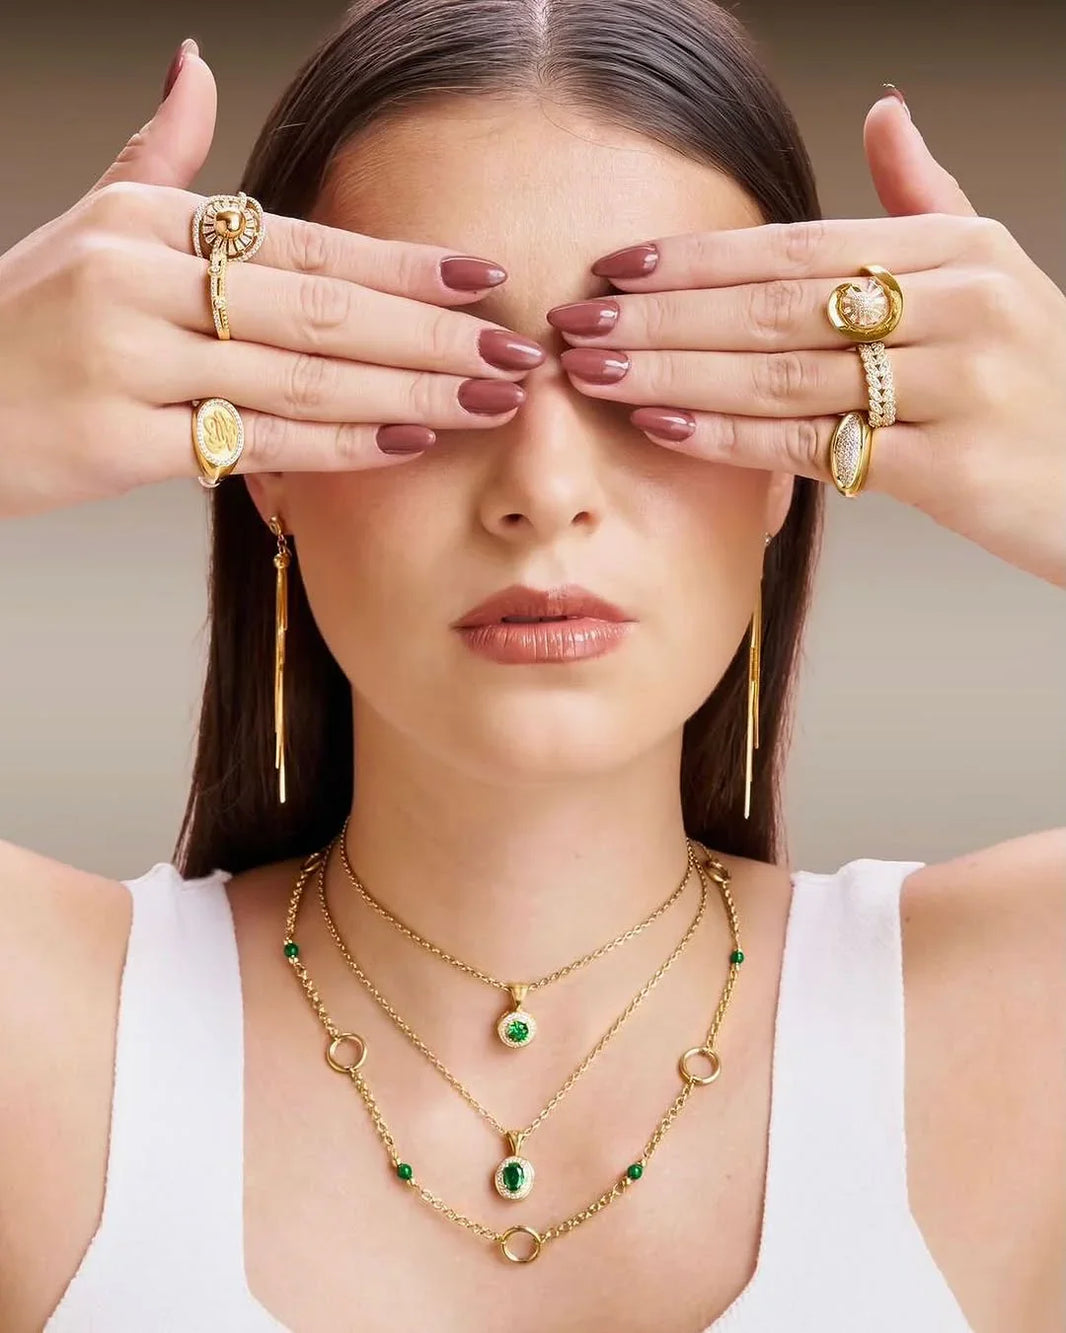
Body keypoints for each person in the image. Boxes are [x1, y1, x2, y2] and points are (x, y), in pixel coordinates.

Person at [1, 2, 1063, 1330]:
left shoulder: (1016, 1011)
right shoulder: (42, 1029)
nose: (544, 490)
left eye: (641, 378)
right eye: (444, 370)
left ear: (792, 455)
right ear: (263, 455)